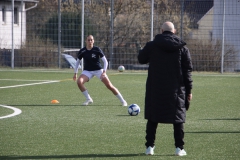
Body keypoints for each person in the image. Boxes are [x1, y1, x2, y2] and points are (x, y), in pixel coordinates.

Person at [138, 21, 193, 156]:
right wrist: (189, 90)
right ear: (174, 31)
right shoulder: (182, 48)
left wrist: (141, 49)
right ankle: (179, 148)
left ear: (161, 31)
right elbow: (187, 71)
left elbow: (141, 59)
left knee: (153, 118)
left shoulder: (152, 46)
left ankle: (149, 147)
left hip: (155, 88)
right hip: (176, 89)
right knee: (178, 119)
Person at [73, 35, 128, 106]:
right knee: (79, 82)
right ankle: (88, 99)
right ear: (86, 41)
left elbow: (105, 61)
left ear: (93, 41)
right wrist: (75, 73)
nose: (90, 41)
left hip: (98, 70)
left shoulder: (97, 49)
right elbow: (77, 62)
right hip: (87, 71)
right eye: (88, 40)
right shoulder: (82, 51)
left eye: (91, 40)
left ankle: (123, 101)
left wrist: (104, 72)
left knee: (109, 86)